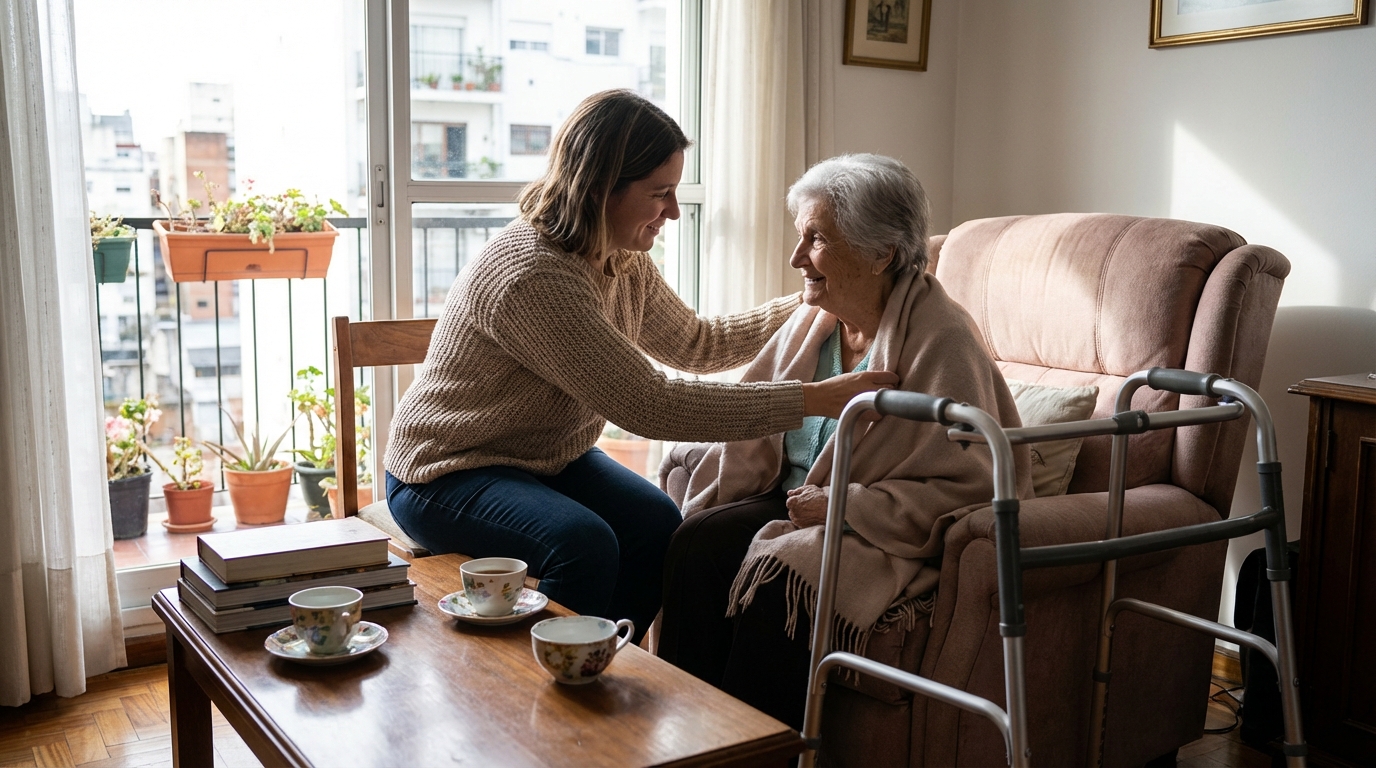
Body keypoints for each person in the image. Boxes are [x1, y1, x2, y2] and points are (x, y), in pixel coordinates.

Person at [383, 91, 896, 641]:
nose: (673, 211)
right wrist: (811, 398)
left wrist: (811, 297)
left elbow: (697, 343)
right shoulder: (534, 275)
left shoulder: (621, 259)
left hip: (545, 459)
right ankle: (536, 691)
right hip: (446, 471)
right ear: (602, 188)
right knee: (582, 544)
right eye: (660, 193)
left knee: (658, 527)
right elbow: (651, 404)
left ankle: (599, 660)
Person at [656, 153, 1033, 725]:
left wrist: (843, 506)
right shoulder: (816, 320)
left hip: (863, 521)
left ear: (882, 252)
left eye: (816, 239)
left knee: (784, 576)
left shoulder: (942, 341)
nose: (795, 258)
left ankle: (755, 751)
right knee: (696, 543)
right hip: (789, 494)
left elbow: (974, 483)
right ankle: (686, 736)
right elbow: (754, 417)